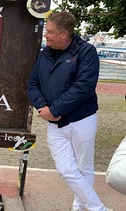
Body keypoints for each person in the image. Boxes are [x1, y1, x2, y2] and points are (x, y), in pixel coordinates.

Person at [27, 11, 112, 211]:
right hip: (54, 122)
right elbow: (32, 84)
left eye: (50, 32)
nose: (46, 35)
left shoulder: (86, 52)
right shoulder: (44, 54)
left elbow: (83, 87)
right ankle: (98, 208)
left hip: (82, 120)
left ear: (65, 34)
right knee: (66, 170)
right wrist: (44, 108)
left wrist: (55, 109)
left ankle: (79, 206)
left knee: (84, 167)